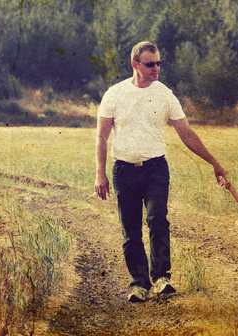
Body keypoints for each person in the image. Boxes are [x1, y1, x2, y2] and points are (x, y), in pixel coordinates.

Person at [94, 41, 227, 302]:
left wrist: (214, 162)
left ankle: (161, 278)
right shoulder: (114, 94)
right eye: (150, 64)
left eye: (158, 63)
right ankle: (139, 284)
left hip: (156, 168)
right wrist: (101, 173)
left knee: (157, 219)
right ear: (135, 65)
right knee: (130, 230)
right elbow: (101, 137)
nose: (156, 68)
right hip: (124, 170)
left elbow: (186, 132)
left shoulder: (165, 94)